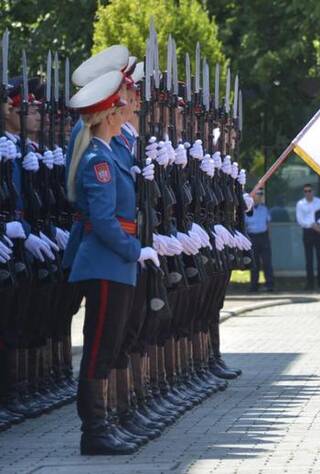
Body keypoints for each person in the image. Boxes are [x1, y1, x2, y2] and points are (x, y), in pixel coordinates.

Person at [64, 69, 158, 455]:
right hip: (104, 263)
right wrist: (135, 250)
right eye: (119, 108)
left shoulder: (108, 155)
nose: (126, 112)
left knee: (110, 345)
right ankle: (94, 430)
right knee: (99, 348)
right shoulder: (98, 161)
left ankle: (105, 424)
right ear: (107, 117)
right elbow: (102, 221)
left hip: (115, 264)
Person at [296, 183, 320, 290]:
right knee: (309, 259)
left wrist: (318, 224)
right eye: (305, 191)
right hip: (308, 232)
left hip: (319, 231)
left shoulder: (319, 202)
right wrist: (311, 225)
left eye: (309, 191)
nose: (308, 193)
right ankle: (310, 283)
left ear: (313, 191)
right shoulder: (300, 204)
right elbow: (300, 220)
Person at [245, 187, 275, 292]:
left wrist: (269, 238)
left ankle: (269, 285)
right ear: (253, 196)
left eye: (261, 194)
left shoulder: (265, 209)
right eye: (258, 194)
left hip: (263, 237)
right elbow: (244, 226)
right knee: (254, 263)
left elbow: (268, 224)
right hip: (252, 237)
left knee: (267, 262)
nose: (260, 196)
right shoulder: (247, 210)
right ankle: (254, 285)